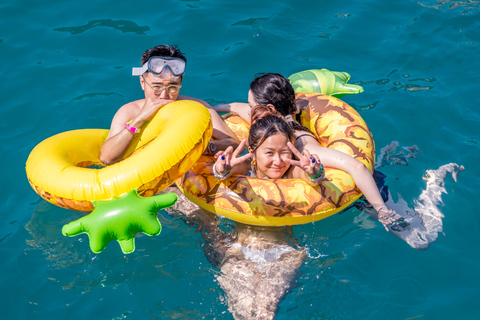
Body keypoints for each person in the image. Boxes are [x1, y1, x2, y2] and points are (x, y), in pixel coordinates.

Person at [214, 73, 407, 231]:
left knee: (406, 233)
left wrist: (383, 210)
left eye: (251, 105)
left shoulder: (300, 144)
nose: (249, 110)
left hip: (355, 194)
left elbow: (355, 166)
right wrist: (214, 109)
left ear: (268, 109)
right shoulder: (269, 121)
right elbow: (235, 108)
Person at [99, 44, 239, 165]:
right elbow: (106, 157)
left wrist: (206, 147)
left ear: (181, 83)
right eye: (156, 87)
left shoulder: (196, 107)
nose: (164, 95)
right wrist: (139, 120)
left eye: (172, 87)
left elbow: (234, 142)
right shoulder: (129, 112)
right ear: (142, 83)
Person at [213, 104, 326, 187]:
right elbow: (231, 169)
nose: (278, 162)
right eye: (269, 153)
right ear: (252, 153)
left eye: (284, 152)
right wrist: (222, 169)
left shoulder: (290, 171)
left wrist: (313, 172)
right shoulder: (246, 167)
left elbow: (305, 175)